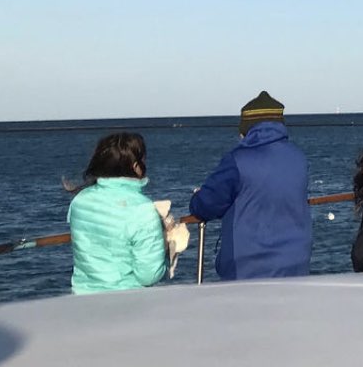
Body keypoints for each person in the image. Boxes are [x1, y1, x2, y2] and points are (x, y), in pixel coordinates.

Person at [189, 90, 312, 280]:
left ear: (247, 130)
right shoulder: (299, 158)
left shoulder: (238, 161)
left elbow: (207, 205)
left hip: (248, 269)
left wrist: (197, 196)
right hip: (295, 264)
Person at [65, 132, 169, 294]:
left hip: (83, 298)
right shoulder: (142, 209)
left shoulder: (80, 200)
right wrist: (166, 244)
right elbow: (148, 275)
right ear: (135, 166)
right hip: (127, 301)